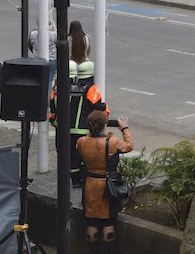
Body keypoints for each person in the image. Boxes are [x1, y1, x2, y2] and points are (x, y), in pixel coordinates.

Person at [76, 110, 133, 252]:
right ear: (104, 126)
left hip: (90, 185)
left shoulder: (82, 142)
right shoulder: (112, 142)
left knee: (91, 222)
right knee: (108, 222)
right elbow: (129, 146)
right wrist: (124, 128)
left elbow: (79, 151)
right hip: (107, 187)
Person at [51, 59, 108, 187]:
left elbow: (52, 107)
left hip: (62, 128)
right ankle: (81, 180)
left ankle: (72, 180)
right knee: (81, 156)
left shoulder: (57, 88)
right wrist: (104, 107)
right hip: (81, 129)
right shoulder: (89, 88)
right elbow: (97, 105)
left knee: (67, 155)